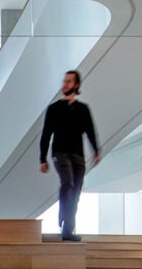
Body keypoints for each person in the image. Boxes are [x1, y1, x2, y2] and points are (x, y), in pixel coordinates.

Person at [39, 70, 101, 241]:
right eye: (64, 81)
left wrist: (96, 151)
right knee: (68, 182)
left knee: (76, 191)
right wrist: (42, 159)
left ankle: (68, 228)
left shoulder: (83, 109)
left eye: (69, 81)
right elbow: (46, 134)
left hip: (78, 155)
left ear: (76, 85)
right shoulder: (54, 109)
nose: (65, 84)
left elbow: (90, 131)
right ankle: (63, 218)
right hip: (60, 152)